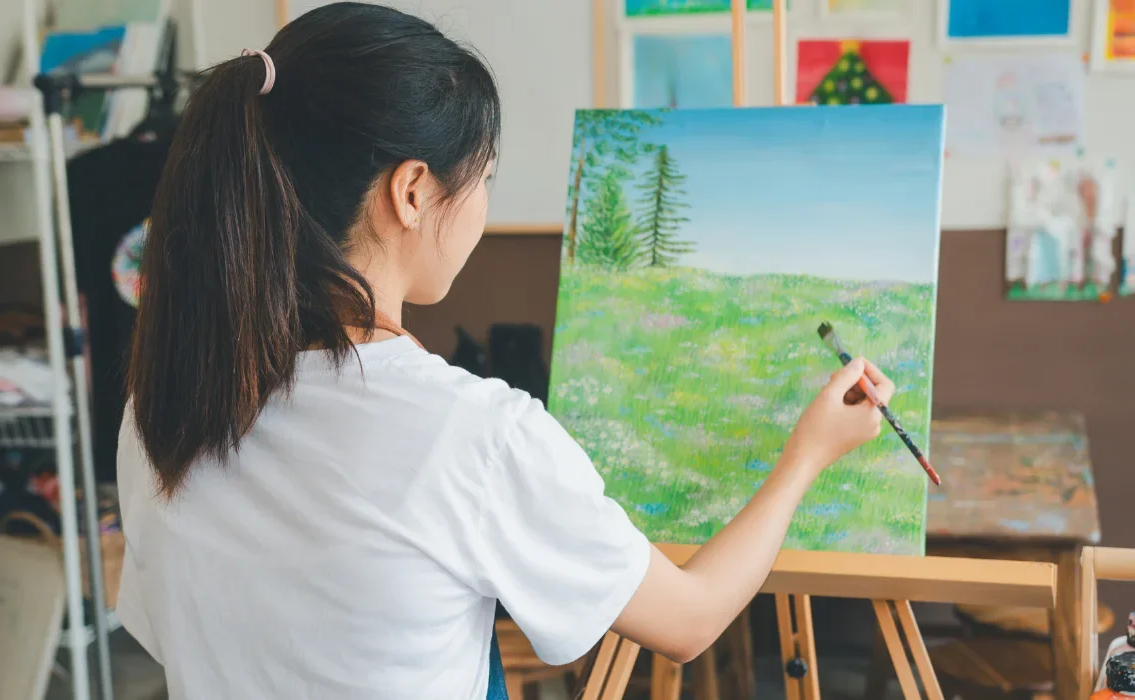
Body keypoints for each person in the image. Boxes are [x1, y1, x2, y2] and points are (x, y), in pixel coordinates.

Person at [117, 3, 894, 699]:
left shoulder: (162, 408)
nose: (483, 203)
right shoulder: (471, 435)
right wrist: (807, 457)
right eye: (483, 175)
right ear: (412, 190)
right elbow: (688, 621)